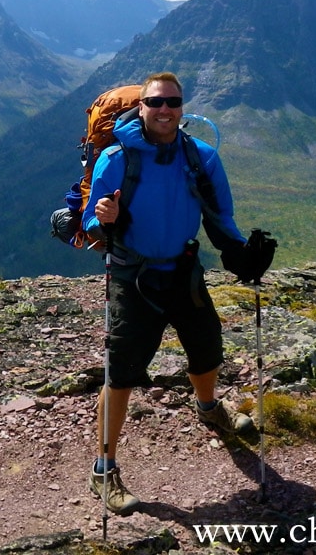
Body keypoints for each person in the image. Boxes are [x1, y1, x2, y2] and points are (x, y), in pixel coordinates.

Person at [82, 71, 270, 515]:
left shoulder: (200, 156)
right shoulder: (117, 158)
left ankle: (209, 408)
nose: (164, 110)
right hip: (133, 277)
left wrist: (241, 255)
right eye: (156, 102)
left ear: (182, 107)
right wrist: (102, 218)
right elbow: (92, 221)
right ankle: (103, 469)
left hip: (184, 272)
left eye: (173, 102)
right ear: (141, 107)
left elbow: (219, 216)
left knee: (207, 350)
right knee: (121, 373)